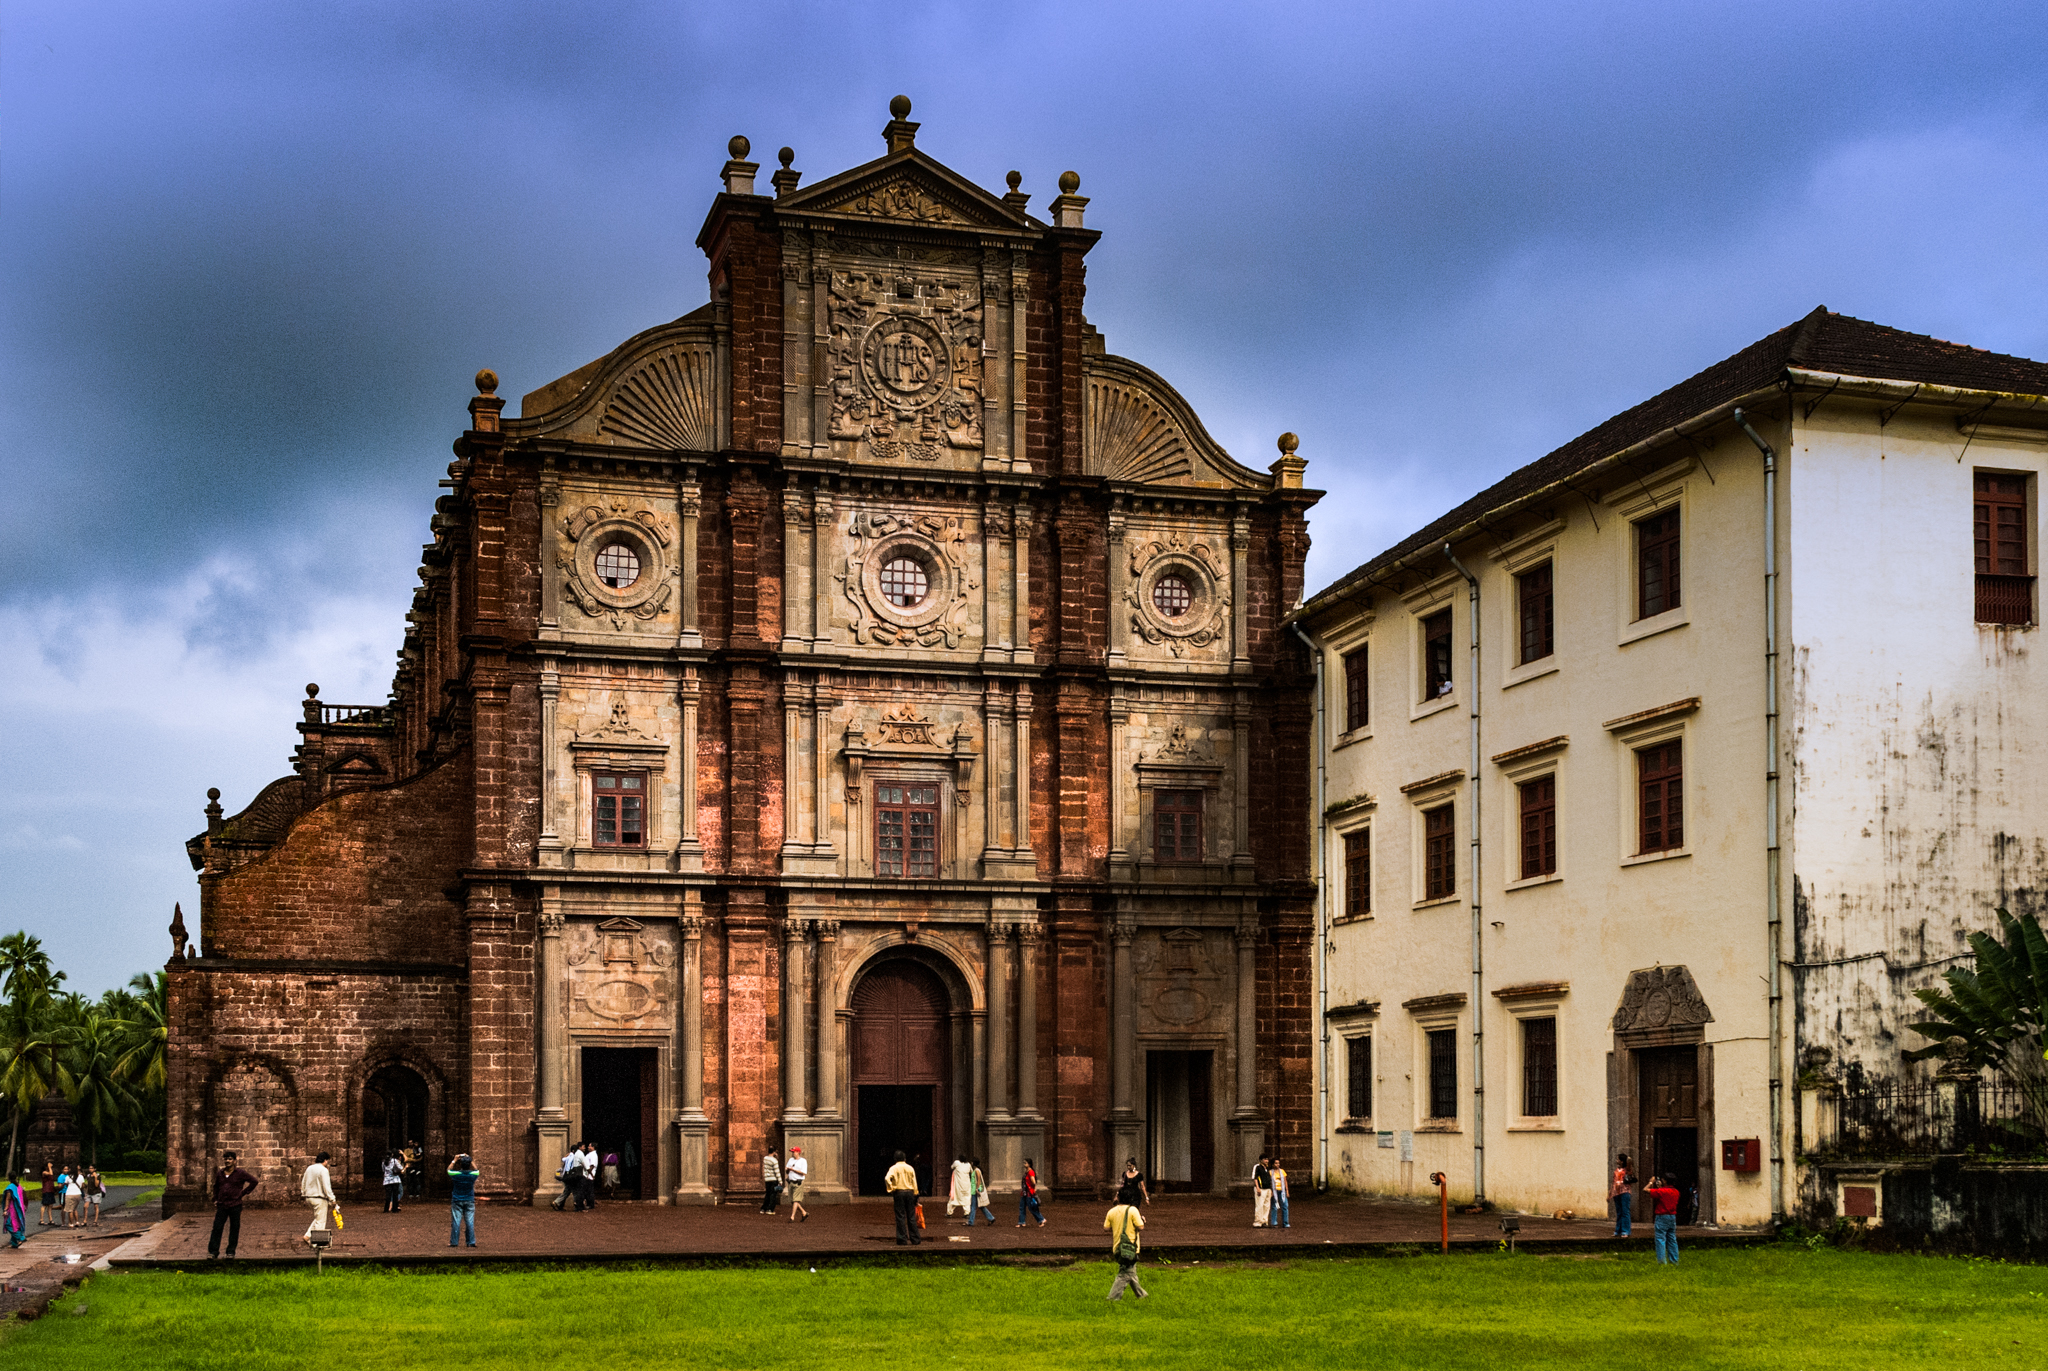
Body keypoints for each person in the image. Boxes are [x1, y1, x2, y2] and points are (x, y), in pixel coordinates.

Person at [207, 1150, 259, 1260]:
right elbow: (216, 1187)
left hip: (235, 1204)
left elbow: (254, 1181)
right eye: (226, 1159)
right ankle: (213, 1251)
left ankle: (230, 1252)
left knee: (234, 1228)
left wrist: (243, 1193)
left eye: (230, 1159)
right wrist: (215, 1199)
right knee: (217, 1228)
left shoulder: (240, 1173)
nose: (227, 1161)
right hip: (222, 1205)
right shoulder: (220, 1174)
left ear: (235, 1161)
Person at [1103, 1199, 1149, 1302]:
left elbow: (1106, 1228)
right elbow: (1140, 1227)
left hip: (1118, 1246)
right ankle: (1112, 1298)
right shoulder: (1133, 1210)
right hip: (1130, 1247)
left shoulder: (1111, 1211)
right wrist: (1142, 1220)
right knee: (1124, 1274)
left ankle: (1142, 1295)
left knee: (1130, 1271)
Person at [886, 1150, 923, 1245]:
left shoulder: (893, 1168)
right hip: (909, 1192)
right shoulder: (910, 1168)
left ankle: (902, 1239)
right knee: (911, 1216)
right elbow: (914, 1182)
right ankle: (915, 1239)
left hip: (899, 1192)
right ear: (905, 1158)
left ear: (895, 1159)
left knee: (900, 1216)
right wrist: (916, 1194)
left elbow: (887, 1178)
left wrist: (891, 1188)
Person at [1644, 1174, 1682, 1264]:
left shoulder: (1662, 1191)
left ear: (1665, 1181)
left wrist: (1651, 1182)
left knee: (1660, 1238)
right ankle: (1674, 1260)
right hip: (1672, 1216)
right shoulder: (1676, 1192)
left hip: (1662, 1216)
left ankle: (1661, 1261)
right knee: (1672, 1238)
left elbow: (1645, 1190)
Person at [302, 1150, 338, 1244]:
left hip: (309, 1197)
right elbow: (326, 1187)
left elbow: (303, 1181)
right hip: (319, 1198)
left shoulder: (309, 1168)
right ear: (325, 1160)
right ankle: (317, 1242)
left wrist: (304, 1193)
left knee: (318, 1217)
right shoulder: (323, 1170)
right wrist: (332, 1199)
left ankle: (307, 1235)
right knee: (321, 1221)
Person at [448, 1153, 480, 1248]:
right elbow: (477, 1170)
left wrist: (454, 1159)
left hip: (457, 1199)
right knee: (469, 1222)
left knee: (456, 1222)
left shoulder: (456, 1174)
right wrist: (471, 1160)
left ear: (461, 1165)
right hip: (469, 1200)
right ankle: (471, 1242)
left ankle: (454, 1242)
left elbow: (449, 1170)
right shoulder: (472, 1175)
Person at [1610, 1152, 1635, 1237]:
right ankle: (1618, 1230)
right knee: (1619, 1212)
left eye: (1618, 1159)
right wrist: (1610, 1194)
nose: (1616, 1160)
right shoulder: (1616, 1170)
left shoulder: (1627, 1170)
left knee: (1625, 1211)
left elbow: (1630, 1161)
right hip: (1616, 1192)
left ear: (1621, 1161)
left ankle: (1626, 1231)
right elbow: (1613, 1182)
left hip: (1625, 1191)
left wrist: (1626, 1159)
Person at [1016, 1157, 1046, 1227]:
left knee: (1031, 1208)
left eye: (1025, 1163)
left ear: (1029, 1164)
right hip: (1024, 1192)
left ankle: (1041, 1219)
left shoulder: (1030, 1172)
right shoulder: (1027, 1172)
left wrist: (1032, 1188)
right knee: (1022, 1207)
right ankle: (1021, 1222)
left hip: (1029, 1193)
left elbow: (1033, 1182)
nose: (1024, 1164)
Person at [967, 1158, 995, 1227]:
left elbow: (978, 1179)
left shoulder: (976, 1170)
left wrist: (977, 1188)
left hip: (975, 1191)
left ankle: (971, 1221)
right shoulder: (976, 1170)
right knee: (981, 1206)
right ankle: (991, 1218)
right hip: (974, 1190)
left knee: (973, 1207)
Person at [784, 1146, 808, 1223]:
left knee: (796, 1200)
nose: (792, 1153)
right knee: (792, 1200)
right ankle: (804, 1212)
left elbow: (804, 1173)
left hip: (798, 1182)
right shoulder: (790, 1160)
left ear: (798, 1152)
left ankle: (792, 1216)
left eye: (793, 1152)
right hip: (791, 1181)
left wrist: (793, 1170)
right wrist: (787, 1170)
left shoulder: (803, 1161)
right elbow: (787, 1169)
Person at [947, 1154, 974, 1222]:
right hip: (966, 1185)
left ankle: (949, 1213)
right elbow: (971, 1171)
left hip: (958, 1186)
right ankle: (967, 1213)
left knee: (954, 1199)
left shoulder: (957, 1163)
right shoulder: (968, 1165)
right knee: (966, 1200)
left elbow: (951, 1167)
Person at [2, 1174, 25, 1248]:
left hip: (12, 1209)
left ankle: (20, 1237)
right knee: (16, 1225)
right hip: (19, 1209)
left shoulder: (10, 1188)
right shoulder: (19, 1186)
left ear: (9, 1178)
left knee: (8, 1224)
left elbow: (8, 1199)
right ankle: (14, 1243)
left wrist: (5, 1209)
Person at [1252, 1154, 1273, 1227]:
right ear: (1261, 1160)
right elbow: (1255, 1178)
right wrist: (1257, 1187)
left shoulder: (1267, 1168)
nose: (1266, 1161)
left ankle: (1264, 1221)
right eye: (1265, 1159)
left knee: (1266, 1206)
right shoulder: (1257, 1167)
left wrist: (1271, 1189)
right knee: (1260, 1205)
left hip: (1267, 1188)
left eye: (1267, 1159)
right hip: (1261, 1188)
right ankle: (1258, 1221)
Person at [577, 1141, 599, 1211]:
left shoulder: (593, 1155)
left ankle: (590, 1204)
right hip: (587, 1175)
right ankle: (589, 1203)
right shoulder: (590, 1154)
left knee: (589, 1191)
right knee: (587, 1190)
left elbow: (592, 1165)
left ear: (593, 1147)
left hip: (589, 1176)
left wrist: (590, 1173)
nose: (588, 1147)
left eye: (590, 1146)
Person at [761, 1147, 783, 1215]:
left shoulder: (765, 1158)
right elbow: (777, 1171)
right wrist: (780, 1181)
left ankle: (763, 1208)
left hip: (767, 1179)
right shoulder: (774, 1161)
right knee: (773, 1195)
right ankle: (770, 1209)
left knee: (768, 1194)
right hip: (773, 1179)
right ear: (774, 1152)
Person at [1270, 1160, 1291, 1229]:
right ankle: (1274, 1222)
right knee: (1274, 1206)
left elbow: (1285, 1181)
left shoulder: (1282, 1171)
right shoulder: (1270, 1172)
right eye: (1276, 1163)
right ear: (1273, 1164)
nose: (1277, 1164)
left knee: (1285, 1206)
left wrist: (1287, 1191)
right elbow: (1270, 1182)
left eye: (1278, 1163)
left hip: (1282, 1191)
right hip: (1274, 1190)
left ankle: (1285, 1222)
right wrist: (1271, 1191)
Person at [38, 1162, 55, 1227]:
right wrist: (50, 1167)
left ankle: (50, 1219)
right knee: (44, 1205)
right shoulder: (44, 1172)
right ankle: (41, 1220)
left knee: (50, 1205)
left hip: (50, 1190)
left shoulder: (48, 1172)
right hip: (46, 1190)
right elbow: (51, 1174)